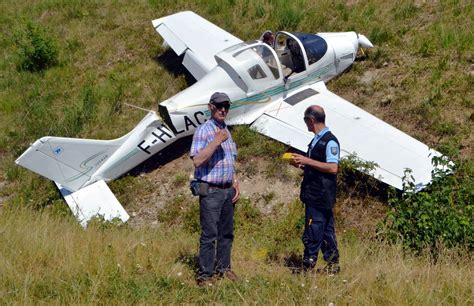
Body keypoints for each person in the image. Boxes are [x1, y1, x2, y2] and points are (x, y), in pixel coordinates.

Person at [190, 92, 240, 286]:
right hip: (210, 191)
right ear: (210, 107)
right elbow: (197, 160)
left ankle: (224, 268)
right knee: (209, 234)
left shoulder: (226, 130)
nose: (223, 110)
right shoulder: (204, 131)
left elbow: (230, 160)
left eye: (226, 106)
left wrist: (235, 181)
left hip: (227, 190)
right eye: (219, 106)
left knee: (226, 233)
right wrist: (215, 142)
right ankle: (204, 275)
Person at [291, 105, 341, 274]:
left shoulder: (330, 141)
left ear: (311, 120)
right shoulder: (316, 140)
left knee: (313, 229)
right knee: (326, 231)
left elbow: (333, 168)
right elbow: (317, 167)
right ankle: (333, 265)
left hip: (320, 195)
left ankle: (308, 266)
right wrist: (302, 164)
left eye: (306, 121)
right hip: (314, 193)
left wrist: (308, 161)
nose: (305, 124)